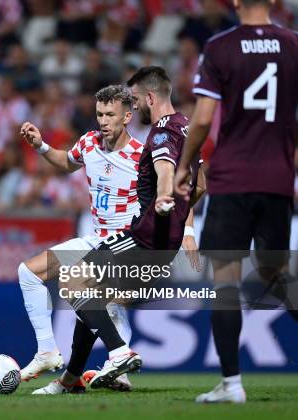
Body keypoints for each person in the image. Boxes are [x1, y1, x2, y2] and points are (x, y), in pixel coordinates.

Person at [32, 66, 205, 394]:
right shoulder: (187, 128)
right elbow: (201, 185)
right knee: (91, 295)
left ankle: (119, 352)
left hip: (145, 237)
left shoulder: (162, 132)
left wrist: (166, 199)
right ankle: (70, 380)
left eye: (136, 99)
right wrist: (185, 227)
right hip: (162, 241)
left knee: (72, 281)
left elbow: (165, 171)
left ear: (150, 97)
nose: (135, 105)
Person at [174, 0, 298, 404]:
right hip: (278, 179)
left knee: (225, 282)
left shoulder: (221, 46)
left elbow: (205, 118)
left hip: (232, 178)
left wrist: (185, 164)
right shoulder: (293, 43)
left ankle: (232, 385)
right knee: (275, 277)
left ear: (236, 1)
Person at [18, 85, 143, 391]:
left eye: (110, 115)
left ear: (126, 116)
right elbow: (67, 162)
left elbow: (173, 192)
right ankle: (48, 351)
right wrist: (41, 146)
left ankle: (114, 363)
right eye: (99, 114)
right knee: (29, 272)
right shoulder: (89, 143)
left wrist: (185, 234)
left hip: (127, 242)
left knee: (90, 293)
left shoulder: (142, 156)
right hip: (96, 238)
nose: (103, 120)